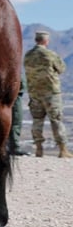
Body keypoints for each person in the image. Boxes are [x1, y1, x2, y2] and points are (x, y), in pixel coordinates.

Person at [23, 30, 72, 158]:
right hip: (51, 93)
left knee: (37, 121)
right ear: (46, 41)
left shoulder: (27, 55)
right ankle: (63, 150)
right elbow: (61, 68)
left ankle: (39, 149)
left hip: (34, 93)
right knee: (56, 120)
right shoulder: (50, 54)